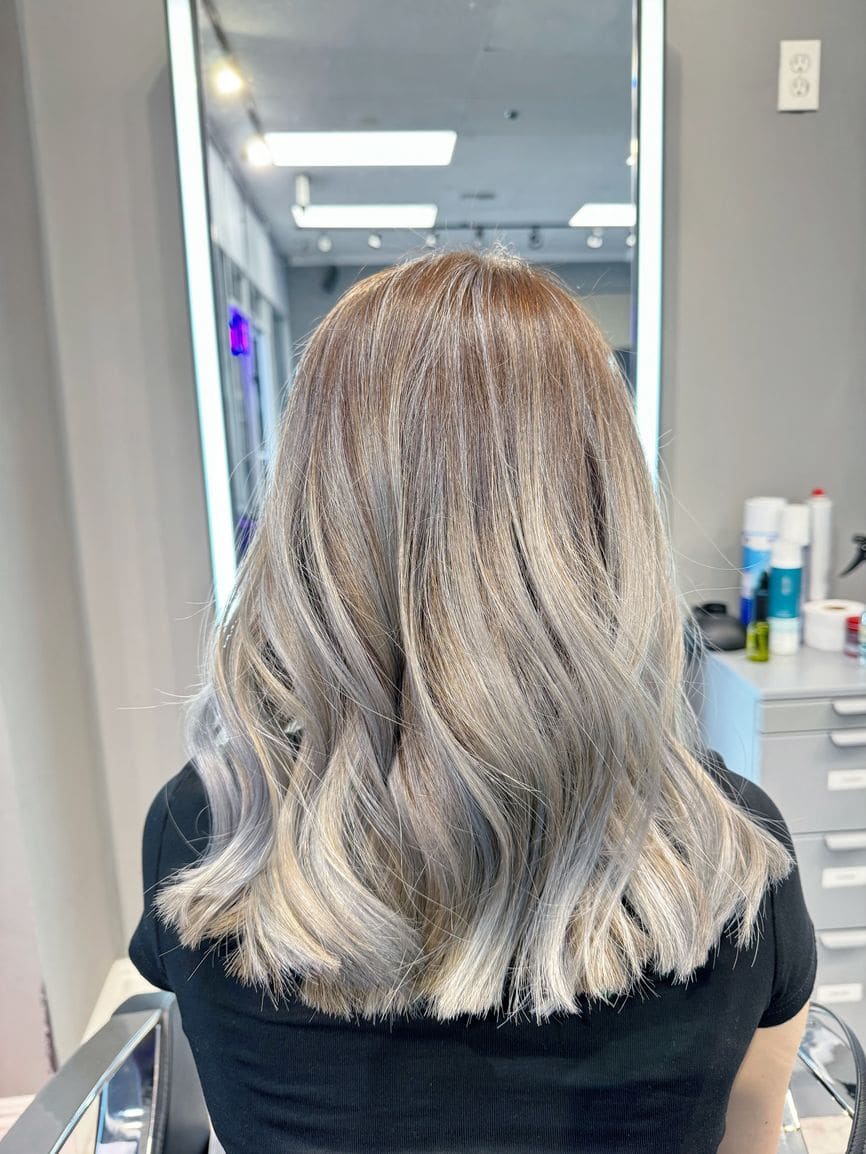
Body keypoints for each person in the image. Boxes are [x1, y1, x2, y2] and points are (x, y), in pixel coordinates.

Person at [130, 249, 817, 1154]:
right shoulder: (727, 860)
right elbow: (750, 1139)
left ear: (313, 507)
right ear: (606, 509)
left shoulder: (207, 835)